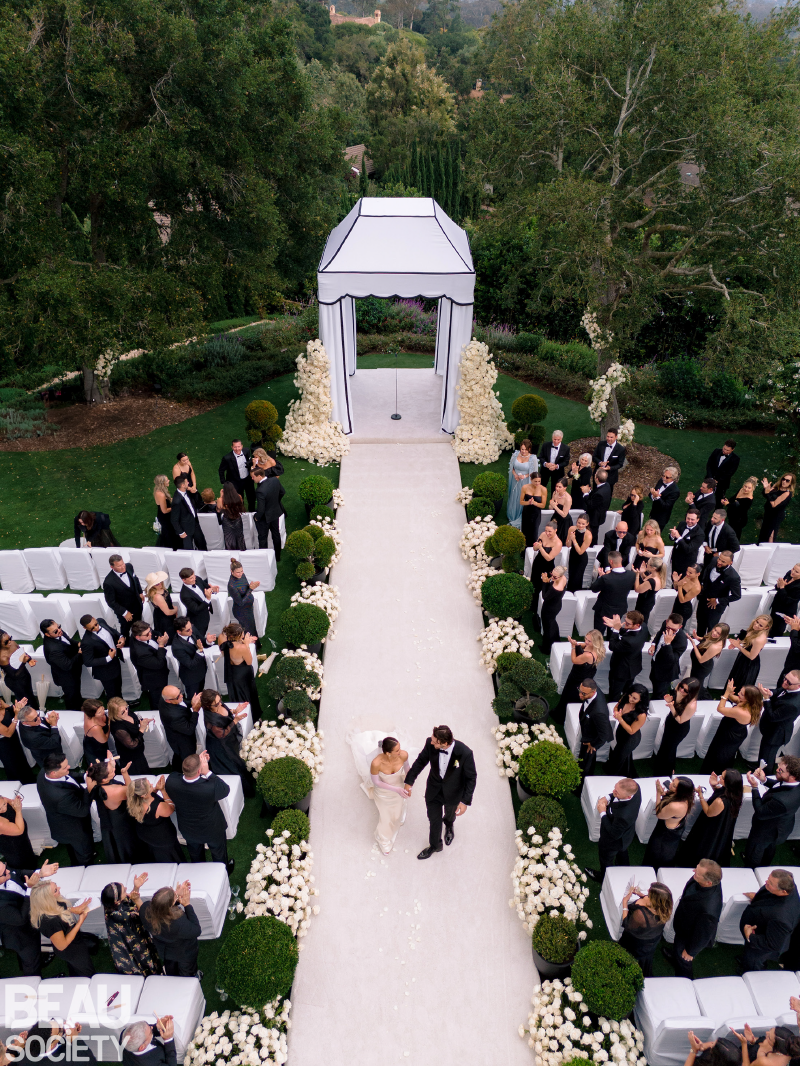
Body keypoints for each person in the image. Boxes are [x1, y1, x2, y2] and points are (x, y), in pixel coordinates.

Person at [402, 725, 477, 860]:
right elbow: (420, 762)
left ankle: (449, 825)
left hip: (454, 793)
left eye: (434, 741)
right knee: (434, 820)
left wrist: (465, 801)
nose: (431, 742)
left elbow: (471, 778)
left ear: (445, 743)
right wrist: (409, 781)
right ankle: (435, 845)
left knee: (449, 815)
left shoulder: (465, 753)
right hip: (434, 790)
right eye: (432, 739)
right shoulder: (429, 744)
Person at [167, 751, 233, 869]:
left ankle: (200, 872)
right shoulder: (210, 787)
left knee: (195, 856)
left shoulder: (171, 781)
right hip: (213, 829)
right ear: (199, 771)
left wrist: (197, 762)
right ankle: (223, 872)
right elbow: (225, 789)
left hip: (189, 829)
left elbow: (178, 776)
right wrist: (207, 772)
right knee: (219, 855)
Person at [664, 860, 723, 979]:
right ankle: (675, 955)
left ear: (708, 882)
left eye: (697, 873)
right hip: (684, 924)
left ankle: (685, 979)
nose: (693, 872)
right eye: (696, 868)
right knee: (677, 948)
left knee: (684, 960)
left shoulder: (709, 909)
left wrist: (691, 951)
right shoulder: (703, 881)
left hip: (689, 936)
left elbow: (704, 934)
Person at [0, 859, 58, 976]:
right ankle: (34, 987)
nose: (8, 871)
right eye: (4, 872)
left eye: (5, 866)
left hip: (30, 922)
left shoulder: (6, 872)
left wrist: (39, 873)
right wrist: (30, 889)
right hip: (20, 935)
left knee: (32, 955)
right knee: (31, 963)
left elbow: (20, 873)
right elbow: (20, 919)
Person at [37, 753, 96, 866]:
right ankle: (85, 867)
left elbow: (68, 776)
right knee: (84, 853)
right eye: (65, 767)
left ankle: (76, 859)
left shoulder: (44, 772)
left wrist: (85, 776)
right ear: (53, 773)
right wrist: (89, 788)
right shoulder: (60, 796)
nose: (68, 767)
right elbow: (83, 811)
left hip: (60, 820)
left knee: (74, 849)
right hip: (74, 829)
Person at [30, 880, 96, 976]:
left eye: (56, 886)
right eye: (55, 890)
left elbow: (61, 908)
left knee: (76, 969)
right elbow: (62, 945)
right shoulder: (51, 922)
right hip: (71, 950)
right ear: (48, 899)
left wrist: (74, 909)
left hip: (74, 943)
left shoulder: (49, 905)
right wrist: (80, 922)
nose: (59, 888)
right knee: (87, 972)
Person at [739, 869, 800, 972]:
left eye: (770, 883)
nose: (766, 883)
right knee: (748, 957)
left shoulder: (781, 918)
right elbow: (770, 899)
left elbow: (773, 944)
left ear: (783, 891)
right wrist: (758, 898)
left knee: (753, 962)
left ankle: (751, 972)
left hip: (760, 947)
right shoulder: (789, 887)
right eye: (768, 879)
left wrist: (750, 936)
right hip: (762, 928)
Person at [744, 756, 800, 868]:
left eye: (781, 771)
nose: (777, 770)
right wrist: (764, 780)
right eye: (778, 767)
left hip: (766, 830)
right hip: (782, 826)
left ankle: (752, 868)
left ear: (793, 776)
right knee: (769, 848)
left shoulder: (782, 800)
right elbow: (779, 785)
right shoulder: (795, 784)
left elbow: (760, 812)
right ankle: (765, 864)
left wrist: (754, 788)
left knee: (755, 849)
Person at [100, 875, 161, 976]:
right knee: (142, 958)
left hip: (124, 934)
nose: (126, 889)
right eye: (124, 890)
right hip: (134, 939)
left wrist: (136, 887)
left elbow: (129, 901)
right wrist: (137, 899)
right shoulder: (126, 916)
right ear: (117, 901)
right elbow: (146, 916)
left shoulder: (109, 904)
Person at [681, 769, 742, 868]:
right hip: (722, 825)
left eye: (722, 777)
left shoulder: (720, 801)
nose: (719, 777)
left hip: (711, 826)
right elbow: (719, 792)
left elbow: (708, 812)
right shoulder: (735, 793)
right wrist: (713, 785)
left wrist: (700, 795)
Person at [584, 778, 641, 882]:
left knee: (606, 859)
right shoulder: (636, 789)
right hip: (627, 834)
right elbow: (614, 794)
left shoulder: (624, 815)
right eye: (615, 788)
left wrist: (602, 812)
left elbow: (613, 834)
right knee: (622, 851)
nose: (614, 791)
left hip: (613, 841)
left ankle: (604, 878)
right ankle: (624, 868)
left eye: (617, 792)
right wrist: (607, 797)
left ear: (628, 796)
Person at [139, 882, 202, 978]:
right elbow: (196, 930)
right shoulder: (177, 922)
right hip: (184, 952)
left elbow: (163, 907)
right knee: (187, 975)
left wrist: (176, 895)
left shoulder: (145, 909)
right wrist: (187, 905)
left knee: (172, 973)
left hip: (165, 951)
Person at [200, 688, 254, 796]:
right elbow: (222, 734)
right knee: (233, 765)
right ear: (207, 706)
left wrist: (235, 711)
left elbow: (226, 712)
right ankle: (245, 789)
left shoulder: (217, 704)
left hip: (228, 740)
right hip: (221, 745)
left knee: (238, 759)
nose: (219, 704)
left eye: (220, 701)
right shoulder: (211, 721)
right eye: (216, 704)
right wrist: (235, 720)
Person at [85, 756, 138, 864]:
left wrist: (109, 764)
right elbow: (132, 792)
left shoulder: (91, 781)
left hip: (106, 819)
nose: (114, 769)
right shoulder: (116, 791)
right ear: (104, 779)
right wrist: (124, 773)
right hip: (120, 821)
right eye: (112, 770)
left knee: (113, 841)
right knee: (125, 842)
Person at [701, 681, 762, 773]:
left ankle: (714, 772)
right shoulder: (749, 704)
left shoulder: (741, 712)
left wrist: (726, 693)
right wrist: (729, 694)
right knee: (722, 753)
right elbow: (735, 699)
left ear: (748, 698)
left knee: (720, 754)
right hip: (735, 731)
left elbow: (720, 709)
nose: (738, 694)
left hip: (729, 735)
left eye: (741, 694)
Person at [125, 773, 185, 863]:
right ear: (143, 795)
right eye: (150, 785)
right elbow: (171, 808)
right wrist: (163, 790)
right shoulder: (158, 807)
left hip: (144, 834)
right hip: (162, 838)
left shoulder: (133, 801)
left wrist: (156, 789)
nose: (152, 785)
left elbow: (149, 796)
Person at [619, 881, 672, 976]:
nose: (647, 890)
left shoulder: (640, 915)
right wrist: (640, 894)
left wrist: (625, 903)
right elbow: (648, 900)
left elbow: (627, 925)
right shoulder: (665, 909)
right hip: (650, 943)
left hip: (636, 944)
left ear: (654, 900)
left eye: (650, 892)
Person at [652, 678, 701, 777]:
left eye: (685, 690)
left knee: (668, 749)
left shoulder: (691, 705)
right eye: (682, 686)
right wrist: (671, 701)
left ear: (691, 692)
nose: (682, 690)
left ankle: (666, 772)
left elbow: (681, 720)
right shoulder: (679, 691)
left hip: (679, 729)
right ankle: (663, 766)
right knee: (666, 747)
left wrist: (671, 706)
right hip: (671, 722)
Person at [643, 776, 695, 869]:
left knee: (656, 855)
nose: (670, 784)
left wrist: (658, 793)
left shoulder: (675, 806)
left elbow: (659, 814)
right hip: (674, 830)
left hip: (664, 835)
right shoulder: (686, 797)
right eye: (672, 782)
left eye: (674, 786)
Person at [556, 631, 605, 718]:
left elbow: (574, 660)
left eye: (589, 641)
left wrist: (573, 647)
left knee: (569, 693)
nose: (586, 642)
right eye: (586, 639)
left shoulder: (588, 655)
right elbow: (583, 645)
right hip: (586, 673)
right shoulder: (593, 647)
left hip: (578, 676)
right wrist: (576, 643)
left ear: (595, 642)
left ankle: (562, 715)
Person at [757, 673, 800, 772]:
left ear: (798, 686)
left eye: (788, 682)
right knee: (763, 753)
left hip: (776, 734)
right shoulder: (790, 688)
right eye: (785, 678)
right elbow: (779, 691)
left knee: (767, 758)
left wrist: (766, 698)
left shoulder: (793, 704)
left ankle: (764, 777)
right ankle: (759, 768)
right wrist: (770, 693)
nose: (785, 682)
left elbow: (773, 717)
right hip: (771, 729)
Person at [217, 622, 261, 714]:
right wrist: (246, 644)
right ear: (235, 636)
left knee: (237, 695)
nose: (243, 636)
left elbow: (227, 649)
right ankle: (252, 715)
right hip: (242, 674)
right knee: (247, 695)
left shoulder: (222, 638)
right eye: (241, 636)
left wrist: (243, 641)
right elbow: (249, 662)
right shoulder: (242, 648)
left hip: (231, 672)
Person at [607, 683, 649, 777]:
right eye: (630, 695)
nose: (630, 699)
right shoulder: (625, 698)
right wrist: (616, 712)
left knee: (619, 757)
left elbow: (631, 731)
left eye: (634, 698)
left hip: (630, 739)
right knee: (622, 755)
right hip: (621, 732)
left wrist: (620, 719)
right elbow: (616, 706)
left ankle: (615, 776)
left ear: (641, 699)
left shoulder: (641, 714)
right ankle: (626, 771)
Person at [696, 550, 742, 636]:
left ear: (730, 563)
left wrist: (717, 600)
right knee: (700, 623)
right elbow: (706, 571)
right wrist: (702, 584)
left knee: (711, 628)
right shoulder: (714, 560)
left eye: (723, 561)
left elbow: (737, 595)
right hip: (703, 600)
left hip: (715, 607)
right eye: (719, 559)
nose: (719, 562)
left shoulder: (733, 577)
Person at [591, 551, 637, 636]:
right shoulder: (632, 575)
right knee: (614, 633)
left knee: (598, 634)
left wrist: (601, 576)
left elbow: (594, 589)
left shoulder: (606, 578)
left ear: (611, 562)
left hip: (603, 610)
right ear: (621, 559)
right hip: (620, 609)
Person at [79, 613, 124, 700]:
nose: (96, 628)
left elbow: (112, 631)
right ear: (85, 628)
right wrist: (108, 658)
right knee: (112, 694)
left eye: (96, 624)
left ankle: (122, 705)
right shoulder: (86, 642)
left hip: (115, 663)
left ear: (95, 618)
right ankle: (114, 711)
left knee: (118, 688)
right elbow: (88, 662)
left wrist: (121, 637)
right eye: (92, 628)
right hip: (105, 671)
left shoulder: (101, 621)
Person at [606, 612, 648, 701]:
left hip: (621, 670)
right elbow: (627, 631)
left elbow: (612, 646)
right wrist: (616, 627)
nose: (625, 624)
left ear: (637, 624)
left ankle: (613, 705)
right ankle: (626, 700)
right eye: (625, 621)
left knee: (615, 691)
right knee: (627, 689)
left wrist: (616, 630)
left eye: (628, 623)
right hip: (633, 665)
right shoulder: (643, 627)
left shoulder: (629, 641)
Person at [41, 620, 82, 709]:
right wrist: (79, 653)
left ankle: (79, 706)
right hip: (67, 677)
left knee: (76, 693)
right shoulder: (53, 650)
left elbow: (69, 642)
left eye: (59, 627)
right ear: (47, 634)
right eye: (55, 631)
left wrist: (78, 644)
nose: (59, 630)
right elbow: (67, 665)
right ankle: (74, 714)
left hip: (73, 670)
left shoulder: (59, 633)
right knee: (72, 697)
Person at [103, 555, 144, 643]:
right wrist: (125, 613)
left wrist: (140, 592)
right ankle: (125, 645)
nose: (123, 567)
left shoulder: (129, 566)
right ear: (112, 567)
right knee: (125, 629)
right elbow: (111, 602)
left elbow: (135, 579)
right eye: (119, 566)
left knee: (139, 626)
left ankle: (140, 641)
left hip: (137, 605)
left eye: (123, 564)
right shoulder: (108, 582)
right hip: (124, 611)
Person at [171, 619, 213, 704]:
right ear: (179, 631)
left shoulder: (191, 629)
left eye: (191, 627)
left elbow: (201, 642)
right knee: (193, 700)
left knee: (200, 695)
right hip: (191, 677)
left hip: (201, 670)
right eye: (187, 630)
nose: (191, 630)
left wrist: (208, 641)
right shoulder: (177, 647)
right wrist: (200, 651)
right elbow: (190, 664)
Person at [130, 621, 170, 709]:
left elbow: (157, 634)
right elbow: (159, 663)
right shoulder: (140, 653)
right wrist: (161, 645)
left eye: (150, 631)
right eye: (147, 634)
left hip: (157, 673)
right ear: (138, 637)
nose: (151, 634)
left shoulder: (142, 635)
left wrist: (162, 639)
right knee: (157, 700)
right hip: (154, 679)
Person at [577, 678, 612, 778]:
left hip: (591, 738)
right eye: (580, 691)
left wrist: (593, 744)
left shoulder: (599, 712)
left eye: (584, 694)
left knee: (586, 761)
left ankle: (582, 782)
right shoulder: (592, 691)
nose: (580, 695)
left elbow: (604, 734)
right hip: (588, 727)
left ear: (593, 692)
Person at [727, 614, 771, 692]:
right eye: (757, 622)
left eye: (760, 625)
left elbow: (752, 657)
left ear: (766, 628)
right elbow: (746, 636)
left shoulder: (759, 639)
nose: (756, 625)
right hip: (743, 658)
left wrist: (739, 646)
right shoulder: (754, 629)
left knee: (741, 685)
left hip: (749, 664)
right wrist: (737, 642)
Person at [108, 696, 151, 775]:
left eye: (126, 708)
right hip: (130, 757)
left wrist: (143, 721)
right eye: (122, 712)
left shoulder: (127, 712)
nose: (126, 712)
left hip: (139, 751)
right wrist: (141, 729)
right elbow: (132, 745)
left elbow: (135, 721)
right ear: (115, 714)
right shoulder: (118, 728)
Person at [649, 614, 689, 699]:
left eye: (673, 629)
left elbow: (672, 660)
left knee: (659, 694)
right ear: (666, 622)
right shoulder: (665, 624)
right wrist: (653, 644)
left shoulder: (682, 641)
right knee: (654, 684)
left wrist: (668, 644)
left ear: (680, 626)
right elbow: (659, 633)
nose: (670, 631)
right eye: (668, 628)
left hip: (665, 672)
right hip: (656, 663)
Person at [159, 686, 200, 768]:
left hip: (174, 731)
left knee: (178, 755)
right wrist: (195, 711)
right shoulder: (173, 715)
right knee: (187, 758)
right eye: (178, 696)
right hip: (182, 741)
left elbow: (182, 702)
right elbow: (189, 729)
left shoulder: (165, 699)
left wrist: (192, 702)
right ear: (168, 700)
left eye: (180, 692)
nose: (181, 696)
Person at [529, 522, 562, 619]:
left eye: (550, 531)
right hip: (538, 562)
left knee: (541, 585)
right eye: (546, 530)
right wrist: (536, 546)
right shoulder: (543, 534)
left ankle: (538, 607)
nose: (547, 533)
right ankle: (531, 603)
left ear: (555, 530)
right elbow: (535, 549)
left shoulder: (558, 543)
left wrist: (541, 548)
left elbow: (549, 558)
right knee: (534, 582)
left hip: (547, 566)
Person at [688, 624, 730, 697]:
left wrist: (694, 645)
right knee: (693, 681)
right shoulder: (713, 637)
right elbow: (706, 640)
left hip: (701, 668)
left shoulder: (716, 646)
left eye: (718, 633)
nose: (714, 633)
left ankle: (695, 698)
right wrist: (697, 637)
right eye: (715, 630)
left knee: (696, 684)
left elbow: (701, 660)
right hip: (697, 665)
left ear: (722, 636)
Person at [253, 468, 285, 559]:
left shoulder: (260, 491)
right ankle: (278, 556)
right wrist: (275, 503)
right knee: (276, 534)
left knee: (263, 538)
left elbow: (261, 509)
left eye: (253, 477)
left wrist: (257, 517)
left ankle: (265, 558)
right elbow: (282, 492)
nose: (252, 479)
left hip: (264, 518)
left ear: (259, 476)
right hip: (275, 512)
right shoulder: (275, 480)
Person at [506, 439, 538, 528]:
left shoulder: (533, 458)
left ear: (529, 449)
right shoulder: (515, 454)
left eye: (525, 449)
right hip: (515, 479)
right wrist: (515, 475)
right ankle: (512, 514)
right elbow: (511, 467)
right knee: (514, 495)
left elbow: (534, 472)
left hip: (525, 481)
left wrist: (525, 476)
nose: (523, 451)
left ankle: (520, 515)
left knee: (522, 497)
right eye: (522, 449)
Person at [0, 695, 31, 785]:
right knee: (12, 764)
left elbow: (10, 710)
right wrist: (16, 716)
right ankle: (18, 784)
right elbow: (8, 733)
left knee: (21, 759)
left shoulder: (1, 704)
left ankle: (29, 780)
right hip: (4, 744)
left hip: (14, 738)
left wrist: (18, 707)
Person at [0, 794, 37, 869]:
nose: (4, 808)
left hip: (21, 839)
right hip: (12, 845)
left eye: (4, 804)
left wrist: (14, 802)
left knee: (26, 849)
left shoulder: (2, 799)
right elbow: (19, 830)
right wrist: (18, 811)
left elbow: (9, 801)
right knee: (20, 861)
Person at [179, 568, 218, 638]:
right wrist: (208, 599)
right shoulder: (184, 595)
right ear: (184, 580)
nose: (194, 579)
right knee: (199, 638)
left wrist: (212, 589)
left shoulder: (197, 579)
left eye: (194, 576)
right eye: (191, 578)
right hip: (198, 620)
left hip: (206, 613)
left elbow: (206, 587)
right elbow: (196, 610)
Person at [219, 438, 255, 511]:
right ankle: (241, 513)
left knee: (252, 497)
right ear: (232, 447)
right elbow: (221, 470)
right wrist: (224, 482)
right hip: (236, 482)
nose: (237, 449)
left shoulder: (246, 451)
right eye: (235, 447)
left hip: (248, 479)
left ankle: (252, 512)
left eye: (238, 446)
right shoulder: (227, 458)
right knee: (238, 499)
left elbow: (249, 461)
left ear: (241, 446)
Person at [0, 636, 36, 708]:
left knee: (31, 695)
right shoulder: (2, 657)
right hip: (15, 682)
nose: (10, 642)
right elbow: (13, 675)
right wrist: (23, 662)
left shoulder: (13, 643)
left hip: (24, 675)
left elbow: (22, 653)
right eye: (6, 641)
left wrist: (29, 660)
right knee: (24, 701)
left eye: (10, 638)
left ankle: (37, 712)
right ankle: (27, 717)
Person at [758, 474, 796, 544]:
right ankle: (760, 549)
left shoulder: (787, 493)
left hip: (775, 516)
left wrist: (767, 493)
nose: (784, 481)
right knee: (763, 533)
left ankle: (769, 551)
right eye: (783, 479)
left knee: (770, 535)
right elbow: (767, 496)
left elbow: (774, 504)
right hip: (768, 514)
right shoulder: (776, 487)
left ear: (791, 483)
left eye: (787, 481)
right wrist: (765, 489)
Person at [669, 508, 705, 578]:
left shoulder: (700, 534)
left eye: (692, 519)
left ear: (698, 520)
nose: (689, 521)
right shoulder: (682, 524)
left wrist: (678, 537)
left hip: (686, 563)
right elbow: (673, 539)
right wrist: (672, 536)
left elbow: (688, 549)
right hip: (675, 558)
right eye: (688, 518)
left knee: (682, 582)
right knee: (673, 578)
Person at [721, 476, 759, 540]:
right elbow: (733, 498)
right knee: (729, 532)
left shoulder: (748, 500)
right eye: (745, 486)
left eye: (749, 488)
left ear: (753, 489)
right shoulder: (741, 490)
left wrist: (728, 505)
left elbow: (739, 509)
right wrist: (727, 501)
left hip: (739, 519)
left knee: (735, 535)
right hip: (732, 516)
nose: (746, 489)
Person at [540, 566, 567, 654]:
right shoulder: (563, 578)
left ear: (560, 576)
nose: (552, 577)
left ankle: (546, 648)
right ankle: (556, 639)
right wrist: (549, 580)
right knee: (552, 623)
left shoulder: (556, 588)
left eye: (555, 577)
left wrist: (544, 582)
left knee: (547, 628)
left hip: (549, 608)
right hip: (557, 605)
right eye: (552, 574)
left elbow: (545, 596)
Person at [170, 474, 201, 549]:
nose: (188, 483)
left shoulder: (188, 492)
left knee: (202, 544)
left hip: (195, 523)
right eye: (187, 482)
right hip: (186, 529)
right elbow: (174, 519)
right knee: (189, 549)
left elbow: (198, 501)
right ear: (183, 485)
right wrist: (181, 532)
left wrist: (195, 491)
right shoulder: (177, 501)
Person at [581, 469, 611, 546]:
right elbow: (596, 497)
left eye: (595, 475)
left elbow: (591, 504)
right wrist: (590, 492)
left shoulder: (600, 494)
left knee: (592, 535)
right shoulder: (607, 485)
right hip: (600, 514)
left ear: (597, 479)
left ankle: (591, 547)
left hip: (594, 517)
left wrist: (586, 493)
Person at [146, 571, 177, 643]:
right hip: (164, 618)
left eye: (160, 581)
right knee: (169, 635)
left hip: (168, 613)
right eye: (156, 583)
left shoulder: (161, 589)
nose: (159, 584)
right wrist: (175, 610)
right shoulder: (157, 596)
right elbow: (168, 612)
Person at [770, 563, 800, 637]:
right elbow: (778, 587)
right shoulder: (789, 573)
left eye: (796, 572)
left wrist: (782, 588)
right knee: (771, 624)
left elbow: (787, 600)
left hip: (786, 610)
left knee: (778, 629)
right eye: (793, 569)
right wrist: (778, 585)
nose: (793, 572)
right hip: (777, 604)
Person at [153, 475, 180, 552]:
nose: (169, 481)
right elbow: (164, 510)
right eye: (167, 480)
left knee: (168, 532)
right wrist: (175, 507)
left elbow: (168, 500)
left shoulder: (162, 490)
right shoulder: (161, 494)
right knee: (169, 533)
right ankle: (171, 548)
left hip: (165, 515)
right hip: (165, 517)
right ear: (163, 483)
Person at [633, 558, 664, 626]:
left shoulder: (652, 581)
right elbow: (645, 580)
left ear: (653, 568)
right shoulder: (656, 576)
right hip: (648, 600)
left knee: (640, 620)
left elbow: (637, 589)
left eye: (648, 564)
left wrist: (637, 575)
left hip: (644, 603)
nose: (646, 564)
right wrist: (642, 573)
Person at [81, 699, 111, 767]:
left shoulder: (88, 713)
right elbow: (105, 739)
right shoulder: (95, 728)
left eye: (103, 709)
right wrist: (109, 724)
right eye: (99, 712)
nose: (103, 712)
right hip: (97, 748)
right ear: (92, 714)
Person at [565, 513, 592, 590]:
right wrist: (570, 538)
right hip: (572, 555)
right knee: (571, 577)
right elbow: (568, 545)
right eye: (579, 523)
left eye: (583, 524)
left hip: (581, 558)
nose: (580, 525)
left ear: (587, 524)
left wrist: (574, 540)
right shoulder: (572, 528)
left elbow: (580, 551)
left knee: (577, 579)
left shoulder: (588, 535)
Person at [216, 482, 246, 551]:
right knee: (240, 538)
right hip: (238, 520)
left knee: (229, 539)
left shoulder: (221, 500)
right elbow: (240, 508)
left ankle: (232, 556)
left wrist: (221, 496)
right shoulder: (239, 497)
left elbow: (218, 510)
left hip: (227, 521)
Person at [520, 474, 547, 549]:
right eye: (535, 481)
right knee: (525, 532)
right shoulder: (525, 487)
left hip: (536, 514)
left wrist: (534, 503)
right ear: (531, 480)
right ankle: (523, 551)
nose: (537, 483)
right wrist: (528, 503)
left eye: (539, 481)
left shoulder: (543, 489)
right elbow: (521, 502)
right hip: (526, 513)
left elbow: (543, 505)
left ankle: (533, 550)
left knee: (534, 533)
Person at [673, 565, 702, 630]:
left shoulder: (696, 588)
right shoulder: (687, 577)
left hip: (684, 609)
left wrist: (680, 586)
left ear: (698, 574)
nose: (687, 574)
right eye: (687, 571)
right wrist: (676, 581)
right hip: (677, 604)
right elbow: (676, 588)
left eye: (690, 573)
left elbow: (682, 600)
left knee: (676, 628)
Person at [550, 478, 573, 543]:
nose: (557, 488)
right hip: (556, 517)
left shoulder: (568, 498)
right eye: (556, 486)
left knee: (561, 540)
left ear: (565, 488)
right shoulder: (555, 493)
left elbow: (564, 514)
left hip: (564, 521)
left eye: (560, 487)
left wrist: (555, 506)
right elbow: (551, 508)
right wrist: (552, 504)